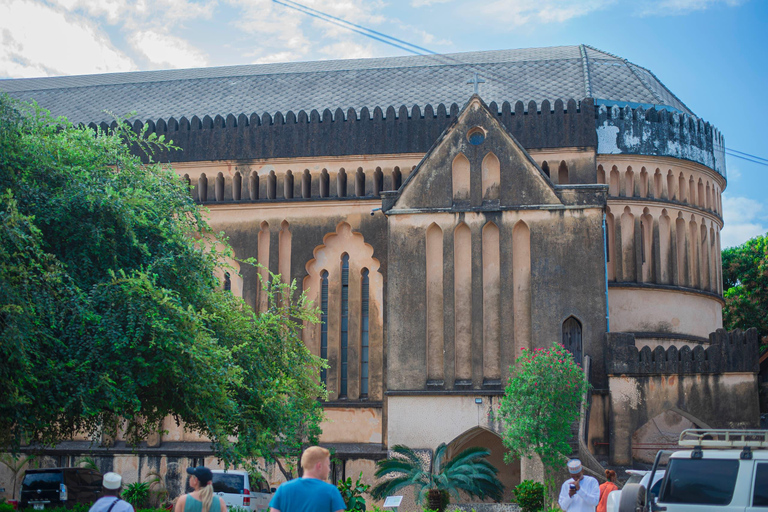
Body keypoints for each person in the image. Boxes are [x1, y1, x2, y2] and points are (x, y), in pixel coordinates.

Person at [269, 446, 346, 512]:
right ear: (319, 466)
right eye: (328, 465)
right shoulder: (331, 492)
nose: (329, 469)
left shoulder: (283, 490)